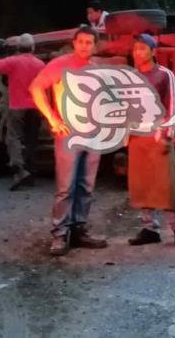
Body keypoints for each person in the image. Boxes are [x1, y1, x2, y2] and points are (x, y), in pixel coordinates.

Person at [29, 26, 108, 255]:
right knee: (65, 187)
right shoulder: (60, 65)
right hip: (68, 134)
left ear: (95, 46)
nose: (84, 46)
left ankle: (79, 230)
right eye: (81, 41)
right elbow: (36, 88)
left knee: (86, 185)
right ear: (74, 43)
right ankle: (60, 234)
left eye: (89, 42)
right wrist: (53, 119)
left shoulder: (95, 69)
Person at [127, 34, 175, 247]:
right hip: (137, 137)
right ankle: (149, 228)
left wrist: (168, 134)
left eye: (142, 48)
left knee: (166, 183)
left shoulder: (165, 75)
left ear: (153, 52)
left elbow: (172, 104)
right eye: (135, 48)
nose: (137, 52)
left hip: (159, 136)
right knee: (141, 183)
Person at [0, 33, 45, 191]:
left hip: (17, 107)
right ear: (33, 48)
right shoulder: (40, 64)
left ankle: (19, 169)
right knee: (31, 141)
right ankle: (31, 173)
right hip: (35, 107)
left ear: (19, 48)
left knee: (14, 137)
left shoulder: (13, 62)